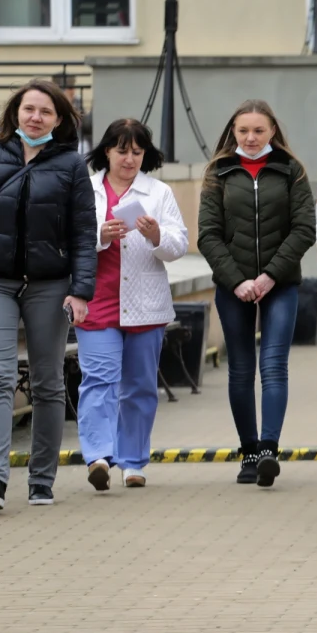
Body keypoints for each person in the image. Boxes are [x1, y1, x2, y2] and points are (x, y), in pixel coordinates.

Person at [0, 80, 96, 511]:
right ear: (15, 114)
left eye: (45, 111)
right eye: (28, 109)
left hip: (49, 284)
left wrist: (80, 290)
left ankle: (42, 481)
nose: (35, 117)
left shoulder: (72, 166)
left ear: (59, 120)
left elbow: (82, 232)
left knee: (47, 382)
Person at [198, 101, 316, 488]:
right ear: (233, 131)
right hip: (234, 287)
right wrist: (236, 281)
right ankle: (248, 451)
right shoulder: (218, 171)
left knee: (274, 365)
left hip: (279, 284)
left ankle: (269, 448)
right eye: (243, 130)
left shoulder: (290, 170)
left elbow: (304, 229)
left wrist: (268, 277)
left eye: (258, 131)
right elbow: (208, 235)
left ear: (272, 132)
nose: (250, 138)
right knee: (241, 368)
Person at [77, 119, 189, 491]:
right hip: (97, 302)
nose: (129, 159)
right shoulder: (85, 189)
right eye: (121, 150)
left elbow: (179, 245)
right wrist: (99, 235)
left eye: (137, 152)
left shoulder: (158, 193)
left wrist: (156, 235)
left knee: (140, 386)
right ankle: (98, 456)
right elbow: (66, 242)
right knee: (99, 380)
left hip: (145, 304)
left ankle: (133, 461)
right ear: (106, 151)